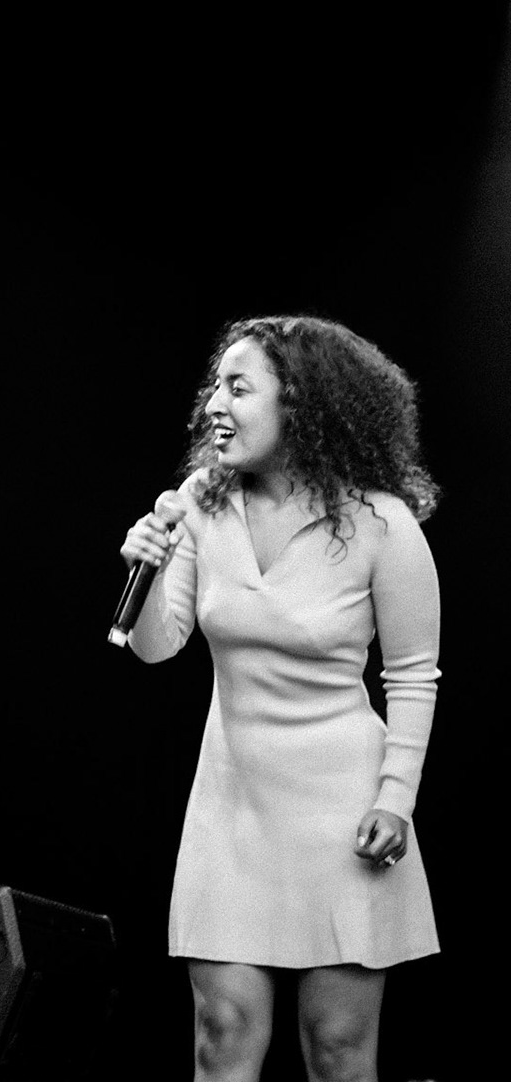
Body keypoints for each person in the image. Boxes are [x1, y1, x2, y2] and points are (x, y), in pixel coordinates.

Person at [120, 315, 441, 1082]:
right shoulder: (203, 500)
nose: (214, 408)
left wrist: (395, 800)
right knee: (221, 1036)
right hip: (231, 808)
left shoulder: (380, 523)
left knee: (336, 1049)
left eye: (239, 388)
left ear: (301, 404)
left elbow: (413, 674)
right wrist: (149, 564)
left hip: (341, 811)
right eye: (215, 389)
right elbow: (157, 646)